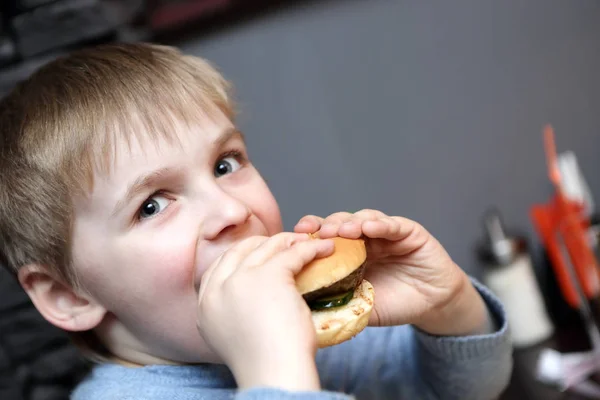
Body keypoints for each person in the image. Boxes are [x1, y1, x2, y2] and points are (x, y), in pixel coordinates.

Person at [0, 42, 512, 399]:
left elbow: (462, 389)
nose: (231, 211)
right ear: (68, 294)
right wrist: (275, 370)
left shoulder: (309, 329)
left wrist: (448, 307)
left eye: (226, 164)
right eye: (151, 204)